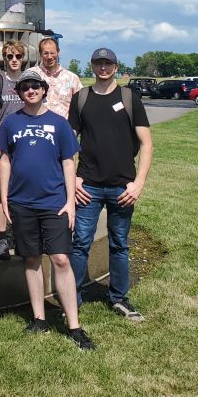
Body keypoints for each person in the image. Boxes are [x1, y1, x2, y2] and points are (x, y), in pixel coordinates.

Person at [0, 68, 95, 351]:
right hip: (22, 203)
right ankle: (39, 318)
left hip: (54, 203)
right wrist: (4, 199)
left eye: (36, 86)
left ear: (44, 90)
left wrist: (70, 201)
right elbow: (5, 161)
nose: (31, 90)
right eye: (25, 87)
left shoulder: (59, 124)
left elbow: (68, 162)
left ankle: (73, 324)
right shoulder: (11, 124)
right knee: (31, 260)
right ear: (19, 92)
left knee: (62, 259)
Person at [69, 47, 153, 322]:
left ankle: (119, 298)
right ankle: (73, 298)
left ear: (115, 67)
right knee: (80, 242)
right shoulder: (81, 98)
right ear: (92, 66)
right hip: (88, 186)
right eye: (98, 63)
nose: (103, 67)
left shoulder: (130, 98)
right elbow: (70, 143)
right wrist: (74, 180)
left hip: (122, 187)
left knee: (119, 243)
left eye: (108, 63)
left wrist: (138, 184)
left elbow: (147, 143)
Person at [0, 40, 27, 259]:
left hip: (25, 143)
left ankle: (22, 236)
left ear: (23, 58)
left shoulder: (29, 81)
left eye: (18, 56)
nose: (14, 60)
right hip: (4, 145)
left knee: (23, 191)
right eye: (10, 56)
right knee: (1, 191)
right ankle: (2, 238)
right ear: (4, 58)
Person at [33, 37, 82, 119]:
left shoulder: (71, 78)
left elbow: (80, 104)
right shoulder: (33, 75)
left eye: (52, 53)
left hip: (64, 127)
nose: (49, 57)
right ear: (40, 54)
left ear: (58, 52)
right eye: (46, 53)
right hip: (38, 127)